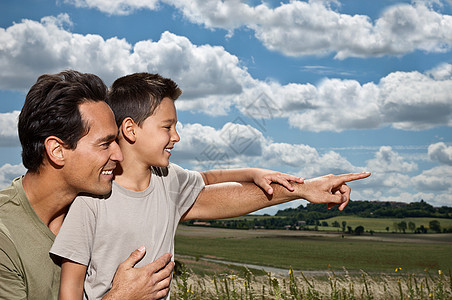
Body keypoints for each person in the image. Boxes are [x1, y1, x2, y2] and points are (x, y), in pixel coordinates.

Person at [50, 73, 371, 300]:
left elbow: (215, 191)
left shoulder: (168, 181)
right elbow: (70, 292)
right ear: (131, 130)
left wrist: (303, 188)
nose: (176, 136)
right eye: (167, 127)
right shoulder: (91, 198)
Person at [0, 70, 175, 299]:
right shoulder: (5, 236)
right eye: (105, 144)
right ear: (57, 150)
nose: (119, 155)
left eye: (116, 140)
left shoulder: (94, 204)